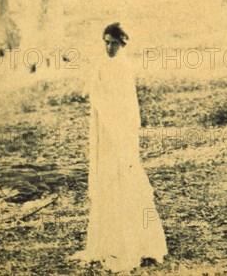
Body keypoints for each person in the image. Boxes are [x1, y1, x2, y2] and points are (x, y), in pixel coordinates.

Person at [71, 23, 168, 273]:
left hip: (120, 133)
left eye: (114, 43)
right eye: (106, 42)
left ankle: (133, 244)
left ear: (123, 43)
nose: (109, 47)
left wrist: (120, 132)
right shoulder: (102, 64)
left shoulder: (124, 68)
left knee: (125, 182)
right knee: (106, 183)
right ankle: (105, 243)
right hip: (104, 131)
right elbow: (90, 92)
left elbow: (126, 106)